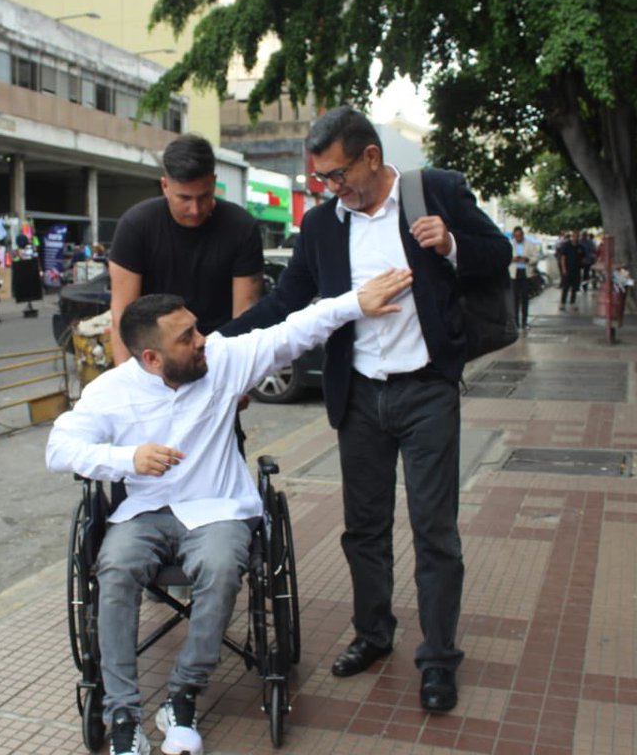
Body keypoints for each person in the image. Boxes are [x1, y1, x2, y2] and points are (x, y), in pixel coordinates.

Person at [46, 269, 413, 755]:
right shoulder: (111, 392)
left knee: (221, 569)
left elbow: (294, 329)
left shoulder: (222, 358)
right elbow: (59, 447)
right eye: (187, 338)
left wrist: (355, 302)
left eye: (196, 328)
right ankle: (122, 715)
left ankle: (182, 695)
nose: (203, 341)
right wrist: (125, 459)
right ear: (152, 358)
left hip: (217, 508)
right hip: (145, 512)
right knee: (114, 569)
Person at [219, 107, 511, 715]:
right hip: (358, 396)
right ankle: (374, 635)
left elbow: (498, 252)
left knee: (435, 531)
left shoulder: (435, 192)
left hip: (426, 391)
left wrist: (453, 243)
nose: (330, 187)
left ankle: (438, 660)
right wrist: (219, 345)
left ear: (371, 157)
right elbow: (288, 299)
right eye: (322, 178)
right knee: (364, 530)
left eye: (335, 174)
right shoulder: (325, 225)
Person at [108, 133, 263, 366]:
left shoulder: (241, 228)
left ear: (214, 181)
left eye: (204, 196)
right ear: (165, 186)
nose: (195, 209)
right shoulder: (135, 227)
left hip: (217, 356)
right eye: (184, 198)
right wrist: (128, 383)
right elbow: (122, 317)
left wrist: (239, 380)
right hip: (155, 359)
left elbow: (244, 316)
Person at [509, 226, 539, 329]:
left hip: (525, 273)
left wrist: (527, 260)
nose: (518, 238)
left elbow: (535, 257)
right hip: (514, 273)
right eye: (516, 236)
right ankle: (516, 322)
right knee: (515, 299)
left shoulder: (530, 244)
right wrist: (513, 259)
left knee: (525, 298)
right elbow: (505, 257)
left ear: (522, 235)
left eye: (520, 236)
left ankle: (524, 321)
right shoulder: (510, 244)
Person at [557, 231, 583, 310]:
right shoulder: (567, 246)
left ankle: (573, 303)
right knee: (566, 287)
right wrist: (564, 269)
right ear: (572, 237)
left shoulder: (580, 247)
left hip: (576, 270)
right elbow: (563, 258)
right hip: (568, 270)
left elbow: (583, 257)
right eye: (574, 236)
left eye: (577, 236)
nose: (575, 238)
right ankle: (563, 303)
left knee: (574, 288)